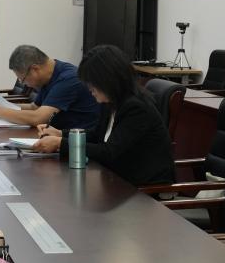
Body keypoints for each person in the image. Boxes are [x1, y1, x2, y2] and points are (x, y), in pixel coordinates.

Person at [33, 45, 175, 186]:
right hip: (116, 179)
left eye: (91, 83)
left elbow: (109, 152)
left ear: (108, 80)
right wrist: (61, 134)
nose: (89, 89)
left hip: (143, 187)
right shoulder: (111, 101)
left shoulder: (136, 108)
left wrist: (60, 143)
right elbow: (96, 135)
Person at [0, 45, 100, 132]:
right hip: (54, 134)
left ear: (35, 69)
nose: (24, 84)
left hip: (76, 141)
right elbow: (35, 107)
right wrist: (3, 105)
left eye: (23, 79)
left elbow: (39, 117)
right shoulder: (49, 75)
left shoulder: (68, 79)